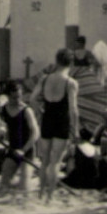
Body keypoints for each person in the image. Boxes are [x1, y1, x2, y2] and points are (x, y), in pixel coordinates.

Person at [35, 49, 80, 203]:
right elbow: (73, 109)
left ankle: (40, 192)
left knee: (44, 160)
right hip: (62, 121)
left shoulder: (45, 79)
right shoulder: (70, 83)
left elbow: (33, 98)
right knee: (56, 162)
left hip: (47, 119)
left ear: (56, 61)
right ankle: (49, 197)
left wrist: (39, 110)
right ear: (71, 63)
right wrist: (76, 130)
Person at [0, 85, 40, 199]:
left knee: (24, 189)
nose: (18, 100)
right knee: (4, 185)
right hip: (12, 151)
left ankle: (38, 181)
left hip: (27, 151)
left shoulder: (27, 110)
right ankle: (22, 181)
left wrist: (23, 150)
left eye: (19, 97)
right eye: (14, 97)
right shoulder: (3, 109)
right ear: (8, 97)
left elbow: (36, 133)